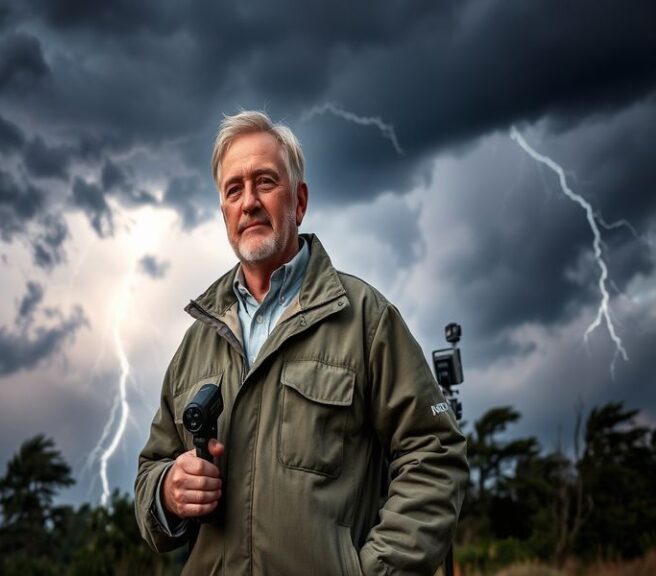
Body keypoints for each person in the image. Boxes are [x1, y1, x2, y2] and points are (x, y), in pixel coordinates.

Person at [135, 110, 468, 575]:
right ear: (224, 212)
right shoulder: (196, 344)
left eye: (265, 182)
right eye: (234, 190)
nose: (249, 202)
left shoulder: (365, 319)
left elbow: (434, 453)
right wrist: (168, 490)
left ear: (300, 201)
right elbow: (150, 474)